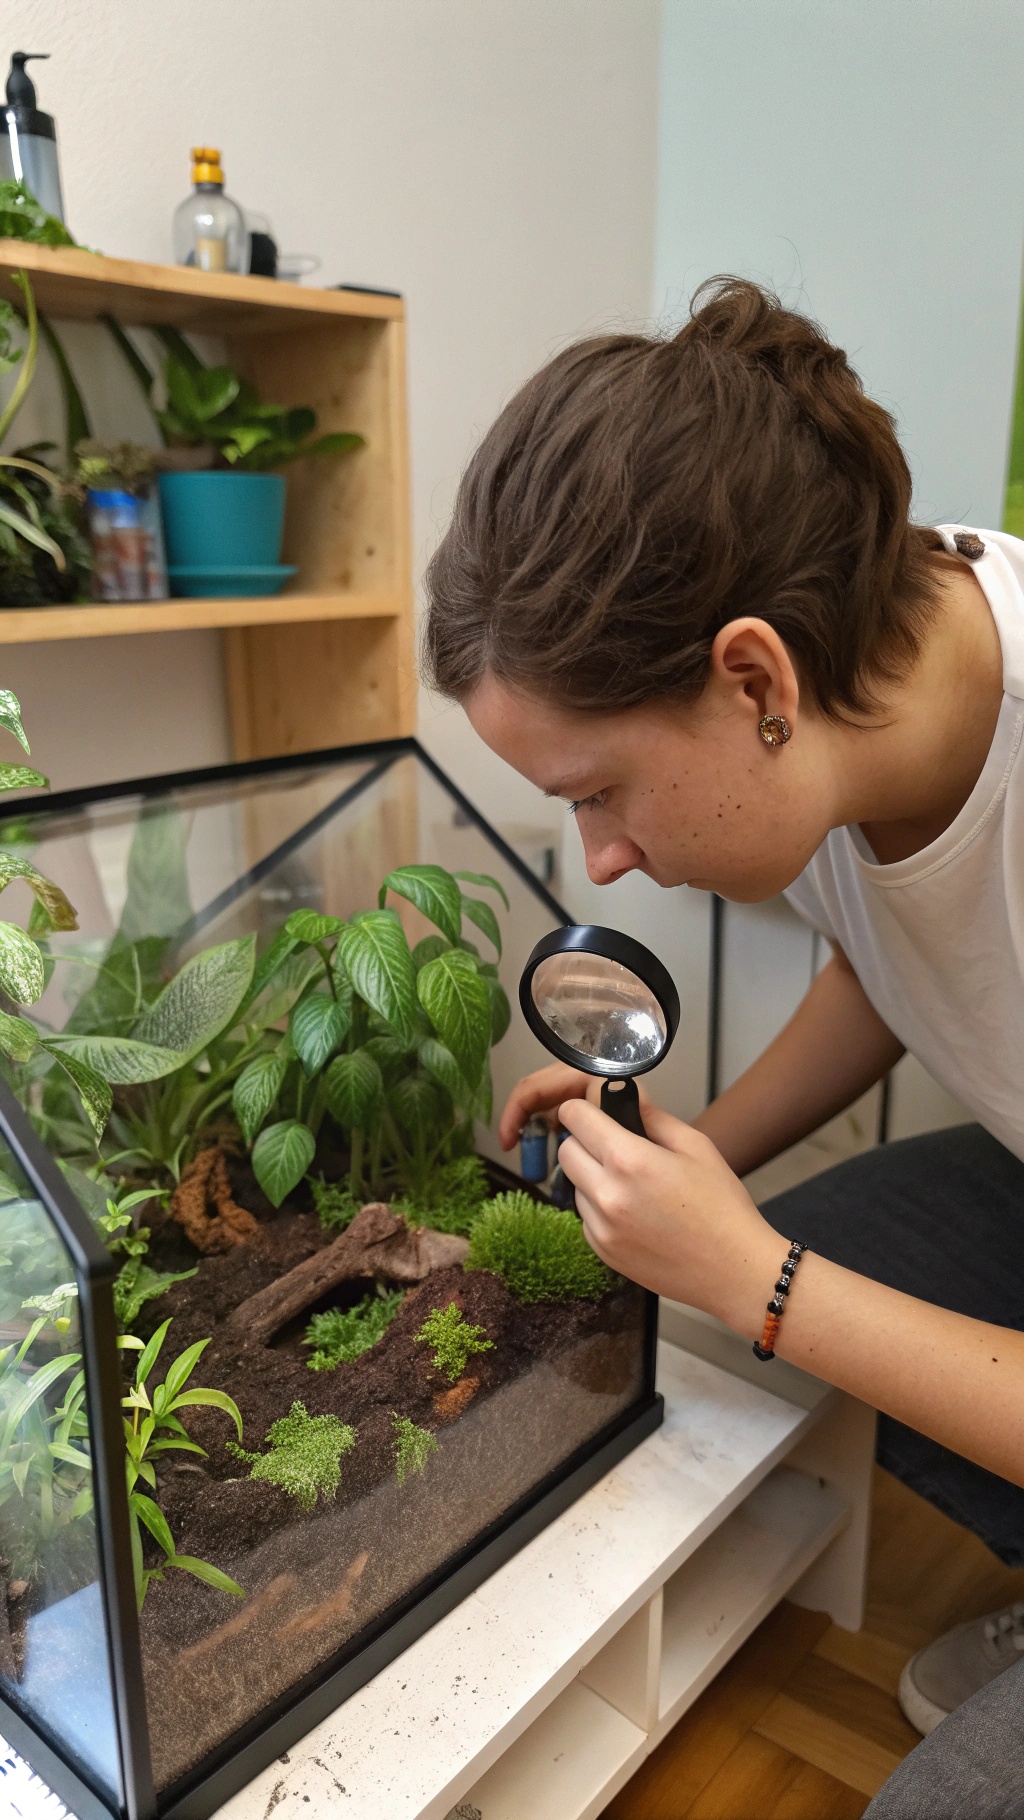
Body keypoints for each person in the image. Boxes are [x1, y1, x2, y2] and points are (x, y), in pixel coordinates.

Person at [422, 279, 1024, 1782]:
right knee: (816, 1275)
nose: (600, 859)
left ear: (751, 677)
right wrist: (695, 1160)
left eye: (600, 790)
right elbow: (900, 955)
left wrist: (755, 1277)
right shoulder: (856, 668)